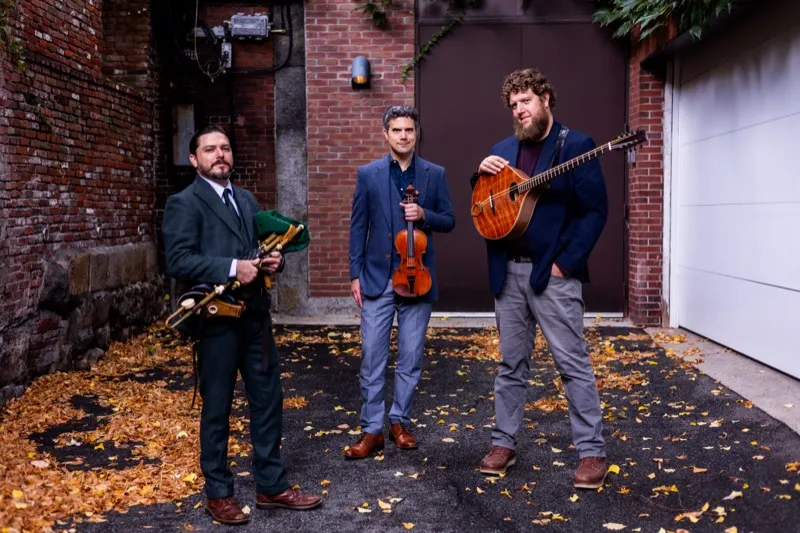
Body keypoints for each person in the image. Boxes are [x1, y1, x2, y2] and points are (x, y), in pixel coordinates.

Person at [163, 125, 321, 525]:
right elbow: (178, 260)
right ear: (194, 159)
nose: (220, 154)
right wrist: (234, 267)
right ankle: (218, 493)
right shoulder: (184, 202)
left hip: (255, 319)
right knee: (217, 408)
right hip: (215, 321)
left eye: (226, 148)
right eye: (210, 149)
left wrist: (273, 262)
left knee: (268, 403)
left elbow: (259, 250)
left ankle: (271, 486)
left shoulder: (247, 199)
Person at [472, 69, 609, 489]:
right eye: (513, 105)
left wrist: (565, 264)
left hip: (552, 274)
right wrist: (478, 175)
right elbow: (486, 206)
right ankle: (503, 444)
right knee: (510, 364)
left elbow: (594, 211)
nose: (520, 110)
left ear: (546, 98)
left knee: (572, 364)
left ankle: (591, 452)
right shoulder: (501, 150)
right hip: (507, 273)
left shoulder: (576, 146)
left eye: (526, 100)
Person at [346, 105, 455, 459]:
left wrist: (425, 214)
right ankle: (371, 429)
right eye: (397, 130)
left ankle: (399, 422)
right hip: (377, 278)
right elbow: (358, 226)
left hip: (418, 279)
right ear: (386, 134)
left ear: (417, 133)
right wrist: (354, 274)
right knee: (372, 357)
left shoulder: (435, 174)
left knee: (410, 356)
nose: (403, 136)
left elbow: (450, 220)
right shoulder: (368, 174)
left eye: (409, 129)